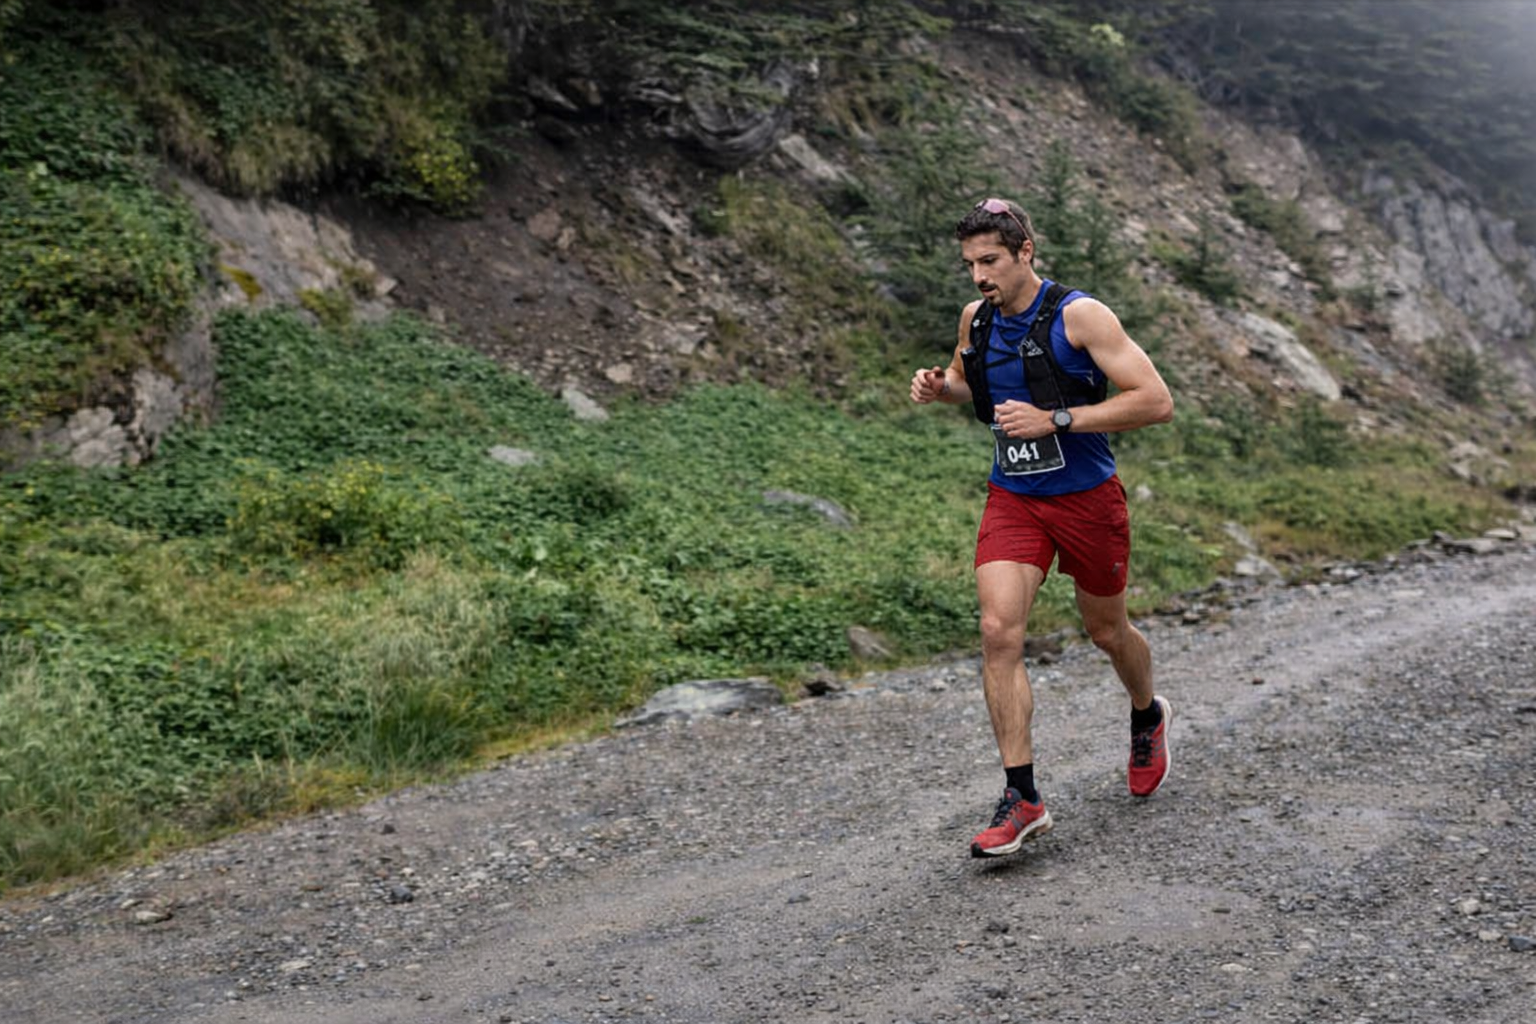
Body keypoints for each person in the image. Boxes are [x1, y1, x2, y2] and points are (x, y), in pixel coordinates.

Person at [909, 197, 1175, 858]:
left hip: (1087, 497)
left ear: (1026, 251)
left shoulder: (1080, 315)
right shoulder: (976, 318)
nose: (978, 276)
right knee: (999, 630)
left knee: (1107, 631)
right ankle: (1022, 797)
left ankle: (1147, 714)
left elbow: (1155, 400)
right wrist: (939, 388)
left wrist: (1059, 420)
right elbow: (976, 385)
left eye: (990, 260)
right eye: (970, 263)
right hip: (1015, 497)